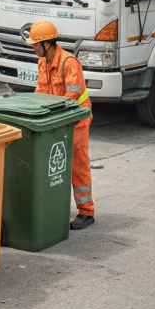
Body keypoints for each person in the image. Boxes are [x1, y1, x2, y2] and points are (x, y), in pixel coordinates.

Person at [24, 20, 94, 230]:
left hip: (76, 121)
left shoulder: (69, 62)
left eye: (35, 44)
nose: (33, 48)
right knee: (53, 164)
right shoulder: (42, 62)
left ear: (46, 44)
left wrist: (52, 115)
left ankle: (86, 212)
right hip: (57, 121)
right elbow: (41, 91)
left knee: (77, 165)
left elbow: (72, 96)